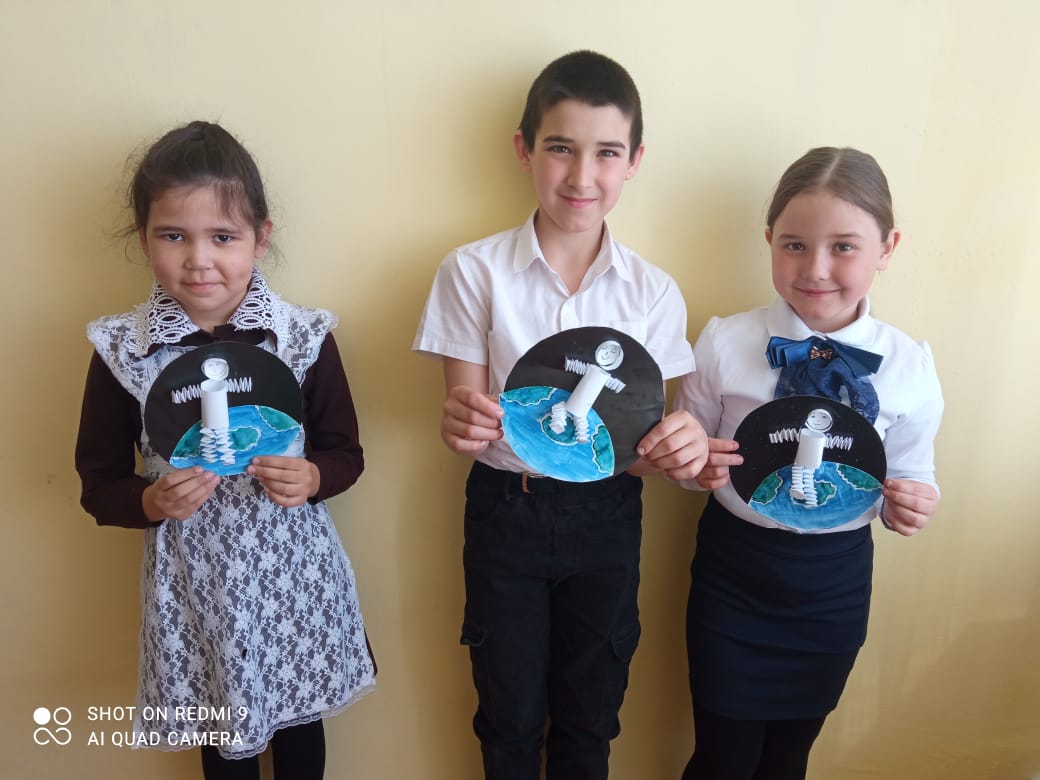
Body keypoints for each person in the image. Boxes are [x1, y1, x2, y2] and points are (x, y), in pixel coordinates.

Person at [413, 50, 709, 780]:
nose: (582, 176)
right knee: (507, 716)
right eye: (560, 148)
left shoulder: (653, 293)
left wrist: (679, 447)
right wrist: (461, 423)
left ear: (634, 160)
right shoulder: (472, 271)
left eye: (606, 152)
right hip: (505, 510)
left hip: (607, 515)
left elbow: (640, 448)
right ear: (525, 149)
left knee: (590, 717)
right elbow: (467, 416)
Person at [75, 121, 375, 779]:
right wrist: (151, 501)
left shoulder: (301, 338)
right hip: (195, 588)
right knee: (222, 737)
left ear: (261, 237)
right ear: (143, 237)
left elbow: (345, 452)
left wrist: (313, 477)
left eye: (223, 236)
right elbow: (98, 483)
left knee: (299, 731)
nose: (198, 260)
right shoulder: (124, 352)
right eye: (172, 235)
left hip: (293, 581)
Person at [674, 147, 944, 780]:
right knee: (721, 758)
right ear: (769, 240)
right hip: (734, 573)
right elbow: (685, 458)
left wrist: (912, 505)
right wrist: (693, 466)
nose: (816, 269)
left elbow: (913, 474)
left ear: (887, 247)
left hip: (833, 585)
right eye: (794, 245)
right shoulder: (724, 341)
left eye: (844, 247)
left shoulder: (909, 365)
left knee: (788, 759)